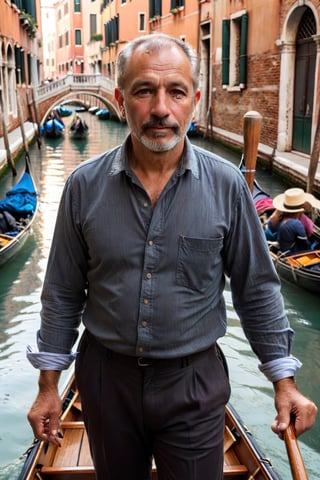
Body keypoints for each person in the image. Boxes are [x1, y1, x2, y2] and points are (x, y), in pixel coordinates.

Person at [26, 34, 317, 480]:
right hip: (105, 380)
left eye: (176, 92)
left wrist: (284, 384)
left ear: (194, 101)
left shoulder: (227, 186)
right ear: (121, 100)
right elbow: (63, 291)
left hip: (194, 383)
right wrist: (49, 387)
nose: (161, 108)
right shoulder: (83, 187)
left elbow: (257, 289)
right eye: (145, 91)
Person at [267, 188, 320, 253]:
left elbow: (270, 227)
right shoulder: (296, 223)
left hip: (282, 249)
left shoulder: (280, 219)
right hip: (292, 252)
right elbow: (305, 244)